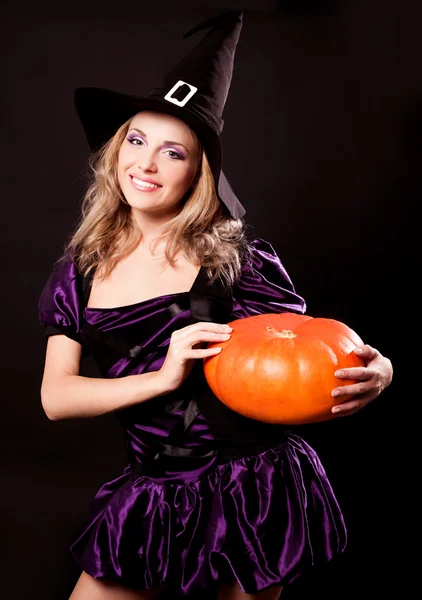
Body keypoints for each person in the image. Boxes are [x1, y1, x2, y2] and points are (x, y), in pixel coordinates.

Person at [38, 11, 393, 600]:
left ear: (200, 171)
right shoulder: (77, 271)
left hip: (256, 485)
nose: (146, 165)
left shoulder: (238, 261)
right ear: (115, 149)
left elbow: (307, 354)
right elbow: (56, 399)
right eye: (136, 140)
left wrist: (380, 369)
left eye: (173, 153)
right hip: (156, 487)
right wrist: (165, 375)